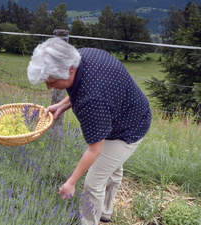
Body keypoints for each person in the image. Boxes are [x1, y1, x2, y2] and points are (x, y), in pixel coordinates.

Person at [27, 37, 151, 225]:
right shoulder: (82, 55)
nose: (48, 86)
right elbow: (82, 87)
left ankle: (89, 222)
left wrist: (71, 182)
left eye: (51, 82)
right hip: (123, 111)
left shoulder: (91, 100)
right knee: (111, 167)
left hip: (130, 126)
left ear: (69, 70)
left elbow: (95, 149)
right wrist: (61, 105)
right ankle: (105, 215)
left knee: (93, 184)